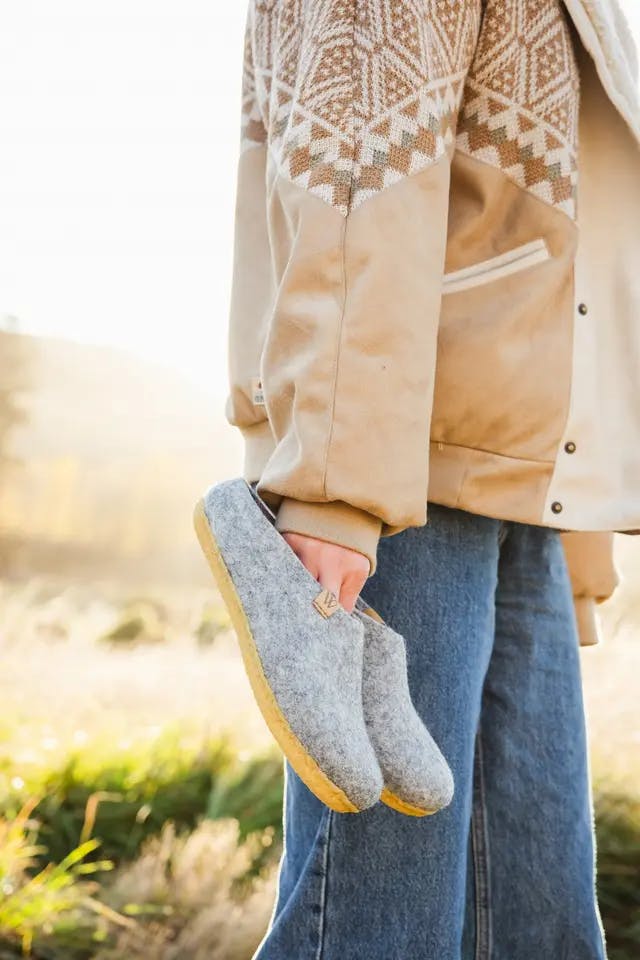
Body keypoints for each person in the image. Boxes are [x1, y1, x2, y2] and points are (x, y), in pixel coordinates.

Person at [222, 0, 640, 956]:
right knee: (380, 923)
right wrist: (335, 493)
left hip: (515, 486)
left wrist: (574, 516)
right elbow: (355, 180)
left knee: (542, 926)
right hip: (402, 477)